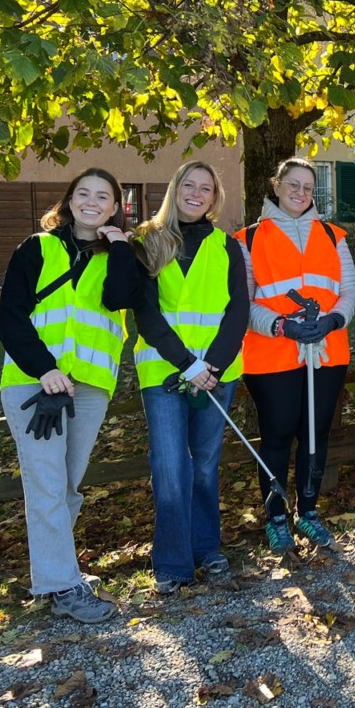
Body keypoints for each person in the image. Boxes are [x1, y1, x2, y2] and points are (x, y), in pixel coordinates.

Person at [0, 169, 134, 624]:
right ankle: (62, 585)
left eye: (103, 197)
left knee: (68, 483)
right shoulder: (37, 248)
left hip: (90, 386)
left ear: (115, 206)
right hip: (34, 384)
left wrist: (119, 249)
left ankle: (58, 572)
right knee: (47, 485)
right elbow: (9, 319)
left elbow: (118, 299)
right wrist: (46, 370)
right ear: (69, 200)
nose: (91, 203)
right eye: (83, 194)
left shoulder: (117, 254)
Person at [132, 161, 249, 592]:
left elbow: (238, 311)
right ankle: (172, 563)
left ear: (215, 198)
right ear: (174, 188)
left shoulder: (227, 246)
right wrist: (188, 364)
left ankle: (207, 549)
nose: (196, 194)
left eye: (206, 189)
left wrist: (212, 365)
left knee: (204, 466)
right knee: (169, 466)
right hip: (164, 370)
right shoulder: (147, 241)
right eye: (189, 185)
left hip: (219, 373)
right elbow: (145, 312)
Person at [236, 158, 355, 550]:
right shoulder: (248, 238)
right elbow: (244, 301)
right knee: (276, 435)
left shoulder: (332, 234)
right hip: (271, 354)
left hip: (324, 351)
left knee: (315, 434)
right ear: (276, 184)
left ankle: (308, 511)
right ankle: (276, 516)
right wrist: (281, 325)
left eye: (309, 186)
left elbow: (350, 290)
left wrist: (334, 321)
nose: (301, 192)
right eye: (294, 184)